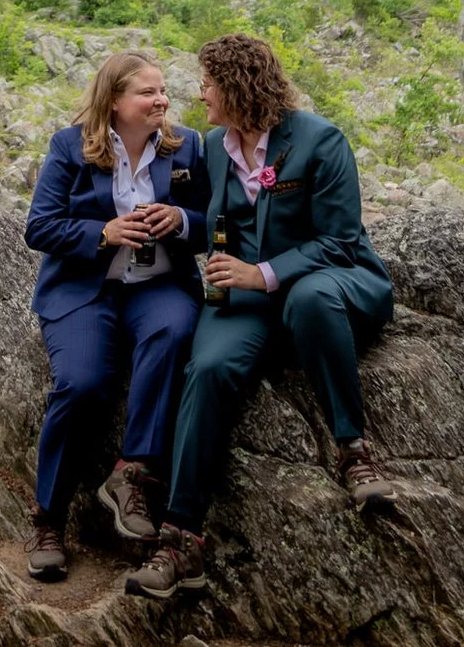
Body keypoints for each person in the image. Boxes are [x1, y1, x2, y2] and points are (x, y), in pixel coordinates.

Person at [127, 32, 397, 600]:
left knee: (310, 297)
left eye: (206, 84)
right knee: (207, 370)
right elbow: (211, 220)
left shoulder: (321, 141)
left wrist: (264, 273)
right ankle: (182, 539)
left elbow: (342, 240)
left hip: (333, 283)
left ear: (236, 85)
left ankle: (354, 453)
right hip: (247, 300)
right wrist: (191, 236)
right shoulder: (211, 146)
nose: (199, 95)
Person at [21, 50, 212, 581]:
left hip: (159, 285)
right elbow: (39, 227)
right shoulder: (70, 146)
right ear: (115, 101)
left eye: (164, 90)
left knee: (175, 332)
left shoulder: (187, 146)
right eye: (148, 93)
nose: (163, 100)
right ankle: (48, 519)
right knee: (82, 384)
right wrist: (101, 234)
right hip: (88, 288)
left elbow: (212, 220)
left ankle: (133, 474)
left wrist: (179, 219)